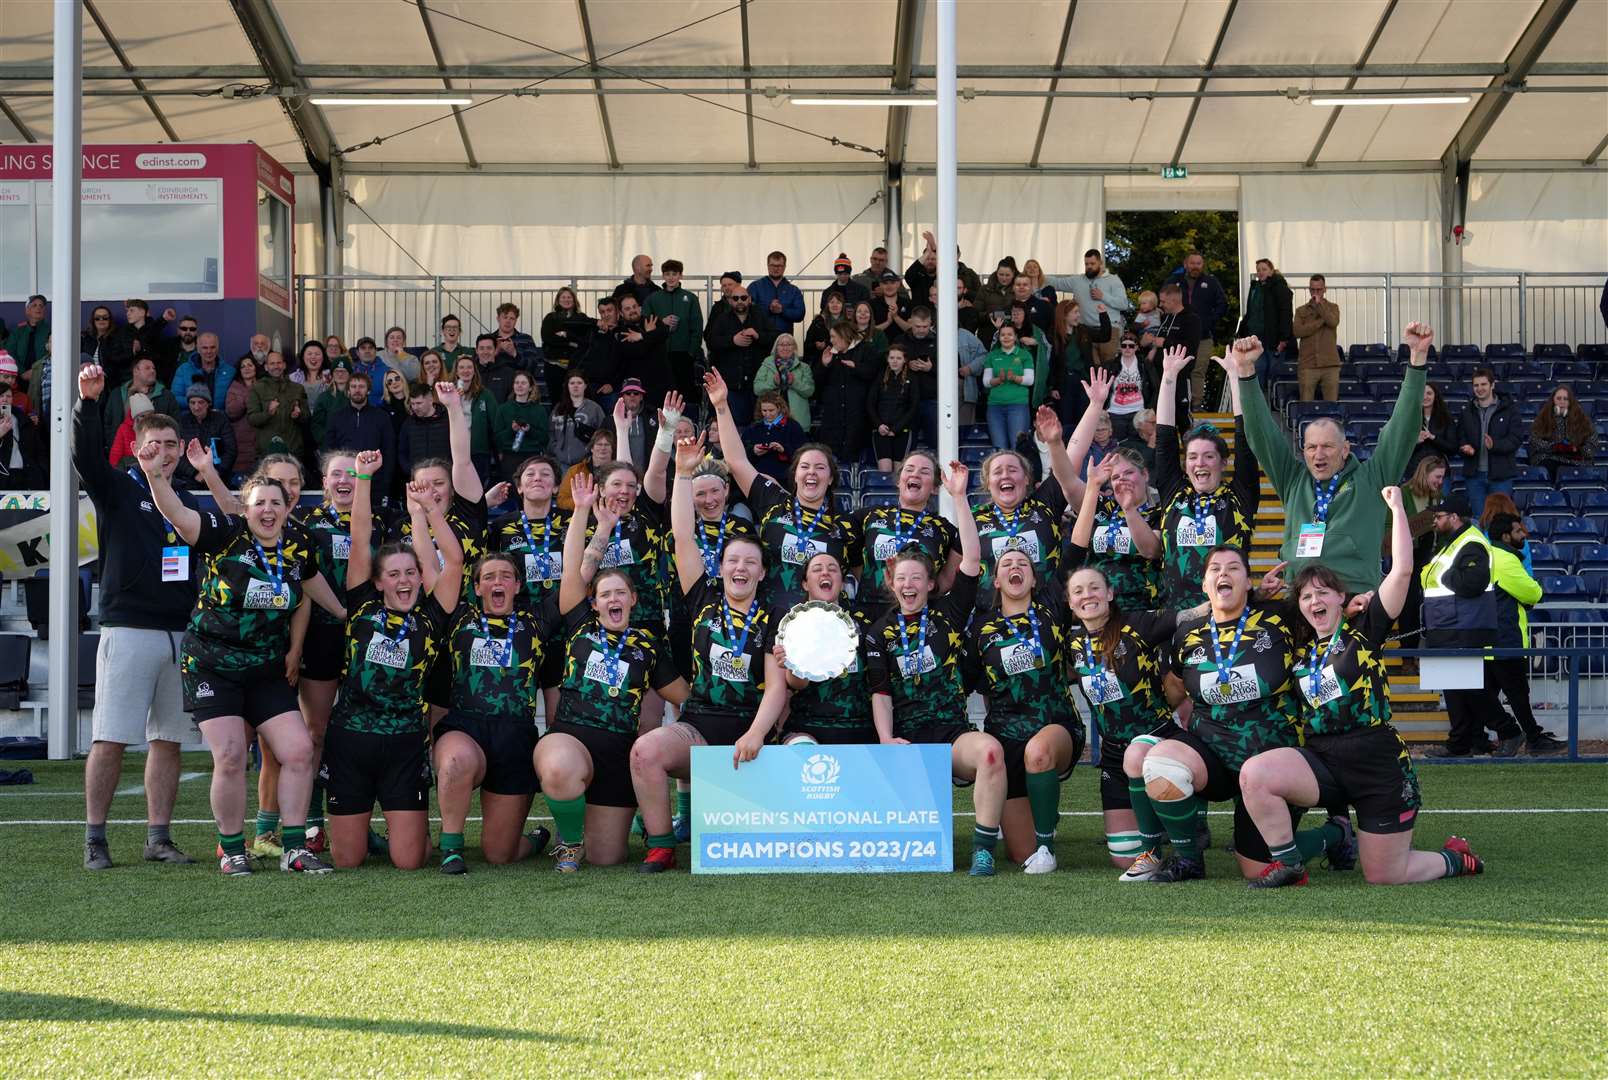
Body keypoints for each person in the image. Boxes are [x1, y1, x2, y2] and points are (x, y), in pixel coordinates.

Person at [1238, 487, 1484, 886]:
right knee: (1255, 775)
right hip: (1323, 762)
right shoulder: (1299, 647)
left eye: (1322, 593)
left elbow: (1402, 569)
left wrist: (1398, 509)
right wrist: (1257, 591)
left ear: (1340, 598)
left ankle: (1456, 858)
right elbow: (1234, 615)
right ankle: (1289, 866)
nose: (1314, 600)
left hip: (1376, 761)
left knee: (1386, 875)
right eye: (1305, 595)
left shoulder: (1363, 632)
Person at [135, 436, 341, 876]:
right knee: (229, 754)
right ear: (244, 509)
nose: (268, 510)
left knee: (300, 750)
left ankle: (292, 848)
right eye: (259, 503)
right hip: (212, 663)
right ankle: (232, 850)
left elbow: (311, 580)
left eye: (276, 503)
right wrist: (156, 475)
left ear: (288, 508)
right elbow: (177, 513)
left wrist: (345, 613)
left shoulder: (297, 543)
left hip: (264, 668)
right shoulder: (225, 533)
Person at [1139, 545, 1353, 883]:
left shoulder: (1280, 618)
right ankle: (1189, 859)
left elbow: (1324, 617)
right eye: (1215, 569)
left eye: (1234, 568)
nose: (1224, 574)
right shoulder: (1188, 633)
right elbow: (1175, 688)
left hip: (1271, 762)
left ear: (1248, 583)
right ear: (1205, 586)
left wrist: (1357, 606)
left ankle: (1337, 833)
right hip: (1212, 753)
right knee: (1158, 763)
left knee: (1257, 867)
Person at [628, 433, 790, 873]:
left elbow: (777, 689)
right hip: (700, 726)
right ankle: (661, 845)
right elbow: (683, 535)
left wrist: (756, 735)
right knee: (646, 751)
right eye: (733, 561)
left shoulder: (776, 615)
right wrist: (682, 473)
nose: (740, 568)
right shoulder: (702, 598)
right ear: (720, 567)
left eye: (749, 562)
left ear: (761, 571)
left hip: (756, 733)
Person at [73, 370, 199, 869]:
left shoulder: (184, 499)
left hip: (179, 632)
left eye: (171, 444)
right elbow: (84, 460)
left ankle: (158, 838)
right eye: (154, 443)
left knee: (168, 740)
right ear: (135, 446)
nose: (163, 452)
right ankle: (94, 839)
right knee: (110, 738)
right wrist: (89, 403)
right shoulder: (118, 487)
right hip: (128, 629)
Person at [538, 473, 691, 872]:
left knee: (608, 858)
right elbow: (574, 566)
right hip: (572, 737)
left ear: (633, 599)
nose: (613, 598)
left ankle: (588, 825)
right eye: (605, 594)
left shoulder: (648, 645)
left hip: (618, 754)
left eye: (620, 592)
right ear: (595, 602)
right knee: (559, 769)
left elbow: (683, 696)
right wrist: (589, 515)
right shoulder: (580, 625)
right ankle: (569, 842)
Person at [863, 466, 1006, 875]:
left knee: (991, 752)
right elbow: (882, 693)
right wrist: (887, 739)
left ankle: (982, 850)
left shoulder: (949, 613)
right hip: (906, 738)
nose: (909, 585)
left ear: (930, 584)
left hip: (950, 734)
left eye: (917, 578)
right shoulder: (878, 633)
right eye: (901, 578)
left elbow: (973, 559)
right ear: (892, 584)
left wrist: (959, 497)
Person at [321, 456, 460, 870]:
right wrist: (363, 478)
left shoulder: (432, 617)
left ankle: (408, 834)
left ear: (420, 577)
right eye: (393, 574)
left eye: (411, 573)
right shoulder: (361, 604)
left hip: (404, 743)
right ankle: (365, 831)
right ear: (379, 581)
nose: (403, 581)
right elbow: (360, 532)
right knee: (346, 861)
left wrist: (429, 510)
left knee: (409, 862)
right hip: (351, 739)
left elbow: (453, 562)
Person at [1237, 326, 1432, 594]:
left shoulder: (1372, 478)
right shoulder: (1293, 481)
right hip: (1303, 598)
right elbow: (1262, 435)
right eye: (1311, 447)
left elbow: (1402, 429)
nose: (1318, 454)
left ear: (1345, 449)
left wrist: (1418, 360)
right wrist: (1247, 373)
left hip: (1354, 595)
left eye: (1328, 446)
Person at [1061, 560, 1186, 882]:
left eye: (1094, 588)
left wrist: (1251, 595)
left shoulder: (1137, 624)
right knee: (1121, 858)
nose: (1087, 595)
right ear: (1070, 602)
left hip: (1157, 741)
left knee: (1143, 760)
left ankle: (1182, 832)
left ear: (1110, 593)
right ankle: (1154, 836)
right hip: (1114, 755)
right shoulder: (1073, 645)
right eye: (1078, 591)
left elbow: (1190, 616)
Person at [969, 548, 1088, 873]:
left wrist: (1091, 493)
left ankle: (1047, 847)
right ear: (996, 581)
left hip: (1055, 725)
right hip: (1006, 736)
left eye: (1023, 563)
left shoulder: (1051, 610)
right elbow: (966, 681)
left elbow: (1074, 552)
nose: (1015, 567)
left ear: (1034, 579)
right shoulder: (981, 630)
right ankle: (1044, 812)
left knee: (1038, 753)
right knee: (1021, 853)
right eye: (1006, 564)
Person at [708, 369, 857, 613]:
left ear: (830, 478)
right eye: (805, 467)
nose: (811, 473)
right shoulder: (773, 501)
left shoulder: (845, 526)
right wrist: (722, 406)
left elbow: (860, 574)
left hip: (820, 630)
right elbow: (736, 462)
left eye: (820, 468)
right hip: (768, 626)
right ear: (795, 474)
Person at [1154, 343, 1262, 608]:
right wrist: (1169, 377)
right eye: (1192, 457)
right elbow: (1165, 437)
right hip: (1177, 617)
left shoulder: (1239, 496)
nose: (1199, 463)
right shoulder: (1175, 493)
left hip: (1229, 614)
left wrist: (1235, 377)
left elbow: (1244, 437)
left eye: (1208, 456)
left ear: (1223, 462)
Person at [1420, 493, 1526, 759]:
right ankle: (1460, 742)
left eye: (1440, 516)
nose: (1435, 520)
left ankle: (1509, 730)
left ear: (1454, 517)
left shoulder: (1472, 542)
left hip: (1462, 624)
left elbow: (1472, 583)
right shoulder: (1454, 541)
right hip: (1448, 623)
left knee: (1469, 688)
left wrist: (1443, 575)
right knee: (1455, 689)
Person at [759, 550, 876, 751]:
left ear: (841, 581)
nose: (825, 573)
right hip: (808, 726)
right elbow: (798, 684)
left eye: (833, 569)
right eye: (817, 569)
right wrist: (792, 664)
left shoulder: (864, 624)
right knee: (802, 749)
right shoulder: (793, 626)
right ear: (805, 583)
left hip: (858, 727)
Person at [489, 452, 569, 720]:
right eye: (530, 474)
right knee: (516, 707)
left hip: (562, 625)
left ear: (556, 486)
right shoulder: (501, 526)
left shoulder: (572, 521)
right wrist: (484, 503)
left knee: (557, 713)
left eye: (546, 474)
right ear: (519, 486)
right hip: (518, 625)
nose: (538, 478)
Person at [1484, 512, 1566, 754]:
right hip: (1506, 639)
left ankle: (1497, 737)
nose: (1524, 535)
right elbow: (1533, 593)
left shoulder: (1488, 555)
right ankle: (1531, 738)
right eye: (1519, 531)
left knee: (1486, 696)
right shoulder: (1506, 559)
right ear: (1506, 536)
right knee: (1518, 695)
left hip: (1488, 639)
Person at [853, 449, 957, 622]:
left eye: (924, 472)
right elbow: (849, 555)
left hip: (919, 618)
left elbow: (947, 578)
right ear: (899, 481)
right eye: (909, 469)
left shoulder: (943, 529)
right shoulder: (869, 517)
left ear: (935, 488)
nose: (915, 474)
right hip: (870, 615)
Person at [703, 286, 774, 426]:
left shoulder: (760, 316)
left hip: (756, 381)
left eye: (743, 297)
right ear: (730, 301)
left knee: (758, 423)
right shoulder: (722, 319)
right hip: (732, 382)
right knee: (735, 424)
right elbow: (711, 341)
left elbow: (774, 337)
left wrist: (758, 335)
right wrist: (732, 340)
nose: (740, 301)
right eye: (735, 298)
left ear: (749, 299)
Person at [1044, 249, 1132, 363]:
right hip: (1085, 331)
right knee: (1090, 370)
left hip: (1110, 331)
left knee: (1109, 368)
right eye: (1086, 264)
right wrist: (1035, 275)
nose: (1089, 267)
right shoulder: (1077, 280)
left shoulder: (1114, 280)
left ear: (1100, 263)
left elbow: (1124, 304)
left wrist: (1103, 296)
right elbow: (1056, 283)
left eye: (1092, 264)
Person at [813, 320, 879, 467]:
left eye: (834, 336)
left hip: (857, 416)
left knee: (854, 456)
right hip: (833, 416)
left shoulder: (866, 349)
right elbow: (817, 384)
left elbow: (873, 373)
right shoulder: (830, 354)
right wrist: (824, 364)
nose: (831, 341)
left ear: (844, 336)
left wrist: (856, 367)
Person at [1456, 366, 1519, 518]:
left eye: (1483, 384)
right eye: (1476, 385)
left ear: (1492, 385)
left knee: (1501, 520)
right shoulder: (1466, 412)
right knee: (1479, 520)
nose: (1479, 388)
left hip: (1501, 476)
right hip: (1474, 476)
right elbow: (1460, 437)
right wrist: (1465, 447)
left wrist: (1495, 445)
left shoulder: (1510, 410)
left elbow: (1515, 439)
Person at [1166, 253, 1228, 408]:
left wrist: (1209, 322)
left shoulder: (1211, 282)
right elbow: (1164, 301)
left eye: (1199, 263)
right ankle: (1174, 403)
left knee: (1199, 371)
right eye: (1192, 263)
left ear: (1203, 265)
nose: (1195, 266)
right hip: (1179, 336)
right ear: (1185, 264)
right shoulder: (1175, 281)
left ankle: (1196, 404)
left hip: (1204, 336)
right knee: (1176, 370)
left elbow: (1223, 304)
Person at [325, 370, 397, 496]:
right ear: (348, 391)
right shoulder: (336, 417)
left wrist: (386, 480)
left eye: (361, 386)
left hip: (375, 481)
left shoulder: (381, 416)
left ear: (368, 390)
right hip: (345, 480)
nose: (357, 390)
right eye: (353, 386)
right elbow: (329, 450)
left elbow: (389, 450)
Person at [644, 259, 705, 407]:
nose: (671, 278)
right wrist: (661, 322)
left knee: (684, 392)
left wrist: (691, 352)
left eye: (674, 274)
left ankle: (686, 424)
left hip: (683, 354)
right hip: (660, 353)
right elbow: (645, 321)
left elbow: (697, 326)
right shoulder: (654, 298)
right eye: (667, 274)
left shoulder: (690, 298)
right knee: (663, 391)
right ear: (663, 276)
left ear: (680, 276)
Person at [1141, 283, 1202, 427]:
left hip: (1179, 377)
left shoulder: (1192, 319)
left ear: (1174, 301)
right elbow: (1157, 342)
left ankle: (1189, 448)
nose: (1160, 305)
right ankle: (1167, 449)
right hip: (1159, 378)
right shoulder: (1165, 318)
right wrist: (1147, 344)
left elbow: (1191, 347)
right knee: (1162, 422)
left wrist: (1166, 342)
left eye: (1163, 301)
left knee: (1182, 420)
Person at [1237, 259, 1294, 390]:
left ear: (1271, 271)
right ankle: (1260, 404)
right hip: (1256, 338)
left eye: (1264, 269)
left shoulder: (1280, 288)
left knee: (1274, 373)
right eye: (1258, 270)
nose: (1260, 272)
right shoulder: (1255, 288)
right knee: (1258, 371)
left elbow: (1286, 314)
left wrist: (1284, 338)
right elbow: (1250, 312)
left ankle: (1274, 406)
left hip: (1273, 339)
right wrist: (1242, 332)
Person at [1529, 385, 1598, 486]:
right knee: (1547, 466)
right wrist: (1554, 447)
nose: (1562, 402)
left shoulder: (1583, 421)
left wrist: (1577, 449)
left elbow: (1591, 444)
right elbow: (1534, 440)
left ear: (1570, 402)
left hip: (1576, 461)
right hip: (1551, 458)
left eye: (1565, 399)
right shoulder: (1542, 419)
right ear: (1553, 400)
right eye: (1559, 398)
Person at [982, 323, 1035, 452]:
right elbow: (986, 382)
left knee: (1018, 447)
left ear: (1015, 337)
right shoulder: (992, 355)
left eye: (1009, 334)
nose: (1006, 337)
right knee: (1000, 449)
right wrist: (997, 380)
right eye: (1003, 335)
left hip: (1018, 406)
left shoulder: (1024, 355)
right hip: (995, 407)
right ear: (999, 337)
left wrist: (1015, 378)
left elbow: (1030, 380)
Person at [867, 344, 920, 472]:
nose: (895, 361)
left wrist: (896, 429)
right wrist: (879, 425)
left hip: (902, 431)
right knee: (884, 471)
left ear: (905, 360)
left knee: (899, 473)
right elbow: (870, 403)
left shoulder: (912, 378)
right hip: (881, 431)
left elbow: (914, 407)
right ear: (887, 359)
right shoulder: (880, 377)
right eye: (892, 358)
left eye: (898, 358)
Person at [247, 351, 308, 460]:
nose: (276, 366)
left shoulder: (298, 388)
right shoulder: (257, 388)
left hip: (293, 452)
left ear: (284, 365)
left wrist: (298, 415)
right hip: (268, 452)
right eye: (272, 363)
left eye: (279, 363)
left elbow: (307, 417)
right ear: (266, 367)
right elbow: (252, 419)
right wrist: (268, 413)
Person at [492, 370, 551, 481]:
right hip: (510, 457)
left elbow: (545, 438)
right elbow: (497, 439)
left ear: (530, 388)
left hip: (532, 457)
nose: (519, 386)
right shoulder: (503, 409)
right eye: (517, 382)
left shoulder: (539, 410)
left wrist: (529, 430)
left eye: (523, 383)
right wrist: (511, 430)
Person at [173, 385, 236, 488]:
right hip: (188, 480)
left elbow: (230, 450)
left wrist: (218, 471)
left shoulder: (220, 420)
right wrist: (194, 473)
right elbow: (176, 453)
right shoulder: (181, 422)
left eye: (201, 402)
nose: (196, 407)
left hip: (218, 477)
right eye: (192, 403)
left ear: (208, 403)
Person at [1292, 275, 1342, 402]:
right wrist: (1320, 322)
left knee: (1331, 407)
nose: (1315, 293)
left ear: (1325, 289)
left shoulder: (1333, 307)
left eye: (1319, 290)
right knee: (1306, 405)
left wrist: (1320, 306)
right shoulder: (1300, 311)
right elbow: (1297, 331)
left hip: (1330, 364)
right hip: (1308, 364)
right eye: (1312, 290)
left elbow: (1333, 322)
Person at [540, 286, 594, 405]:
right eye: (563, 297)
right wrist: (570, 343)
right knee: (556, 401)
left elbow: (584, 341)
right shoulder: (551, 317)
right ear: (558, 300)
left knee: (575, 401)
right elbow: (548, 338)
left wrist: (567, 335)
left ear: (574, 300)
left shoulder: (582, 318)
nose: (566, 299)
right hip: (554, 366)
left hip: (574, 367)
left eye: (569, 297)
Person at [752, 333, 815, 431]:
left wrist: (794, 382)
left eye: (789, 344)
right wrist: (773, 382)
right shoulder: (766, 365)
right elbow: (757, 389)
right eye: (781, 344)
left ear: (794, 348)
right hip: (771, 417)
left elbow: (809, 391)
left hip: (797, 419)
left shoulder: (804, 367)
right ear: (776, 348)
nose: (785, 347)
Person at [741, 391, 807, 485]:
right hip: (758, 479)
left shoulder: (793, 426)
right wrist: (753, 451)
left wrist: (783, 449)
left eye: (771, 410)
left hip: (785, 480)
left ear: (779, 408)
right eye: (764, 411)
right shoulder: (754, 428)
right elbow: (740, 452)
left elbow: (803, 452)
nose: (767, 414)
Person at [103, 356, 179, 436]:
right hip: (121, 445)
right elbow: (108, 422)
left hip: (154, 446)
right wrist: (112, 442)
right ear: (135, 371)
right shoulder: (117, 394)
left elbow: (175, 424)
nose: (152, 371)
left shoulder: (166, 396)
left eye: (154, 368)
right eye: (147, 368)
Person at [548, 372, 606, 470]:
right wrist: (555, 449)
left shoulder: (594, 408)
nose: (575, 386)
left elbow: (603, 434)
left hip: (586, 463)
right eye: (572, 383)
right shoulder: (558, 409)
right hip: (561, 463)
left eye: (579, 383)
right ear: (567, 386)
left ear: (585, 386)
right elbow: (551, 432)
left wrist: (591, 453)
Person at [1407, 381, 1460, 479]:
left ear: (1435, 396)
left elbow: (1453, 448)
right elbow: (1401, 450)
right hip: (1415, 474)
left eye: (1429, 393)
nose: (1425, 397)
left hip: (1440, 474)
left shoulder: (1446, 418)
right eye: (1421, 393)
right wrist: (1416, 442)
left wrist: (1433, 438)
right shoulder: (1408, 419)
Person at [748, 250, 806, 337]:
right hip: (760, 338)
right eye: (772, 265)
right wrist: (769, 309)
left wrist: (782, 310)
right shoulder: (755, 287)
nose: (776, 268)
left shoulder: (794, 290)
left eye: (779, 265)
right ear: (767, 266)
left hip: (784, 341)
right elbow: (748, 310)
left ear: (785, 267)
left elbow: (800, 314)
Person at [557, 429, 616, 512]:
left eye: (607, 445)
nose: (603, 448)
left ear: (612, 448)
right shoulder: (575, 471)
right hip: (581, 517)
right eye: (599, 444)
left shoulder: (619, 472)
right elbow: (561, 501)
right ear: (592, 448)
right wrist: (583, 502)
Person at [171, 332, 235, 407]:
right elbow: (175, 398)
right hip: (191, 416)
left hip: (220, 416)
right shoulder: (183, 370)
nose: (209, 351)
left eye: (212, 347)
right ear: (198, 349)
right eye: (205, 348)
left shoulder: (230, 371)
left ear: (217, 348)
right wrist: (198, 404)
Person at [225, 354, 260, 480]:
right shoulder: (234, 387)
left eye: (250, 365)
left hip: (260, 438)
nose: (246, 368)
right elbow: (231, 411)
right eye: (243, 366)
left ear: (256, 368)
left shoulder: (263, 386)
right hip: (240, 440)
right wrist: (247, 396)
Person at [5, 293, 48, 374]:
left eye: (41, 306)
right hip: (18, 376)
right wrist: (22, 372)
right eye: (34, 305)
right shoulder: (17, 331)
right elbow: (10, 352)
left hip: (43, 375)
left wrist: (36, 371)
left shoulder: (51, 330)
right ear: (27, 310)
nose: (38, 308)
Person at [493, 302, 541, 372]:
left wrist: (514, 353)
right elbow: (479, 367)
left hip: (518, 381)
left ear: (516, 320)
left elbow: (533, 367)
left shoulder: (526, 339)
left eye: (512, 318)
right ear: (498, 319)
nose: (508, 321)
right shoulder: (488, 339)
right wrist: (495, 353)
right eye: (505, 317)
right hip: (493, 381)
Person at [474, 333, 518, 405]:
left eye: (489, 348)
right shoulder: (470, 372)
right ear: (476, 351)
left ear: (495, 350)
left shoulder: (508, 373)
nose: (485, 352)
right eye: (481, 348)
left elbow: (513, 401)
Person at [291, 340, 330, 408]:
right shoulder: (293, 378)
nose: (313, 357)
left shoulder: (330, 376)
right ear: (303, 357)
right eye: (309, 354)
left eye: (317, 354)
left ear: (323, 357)